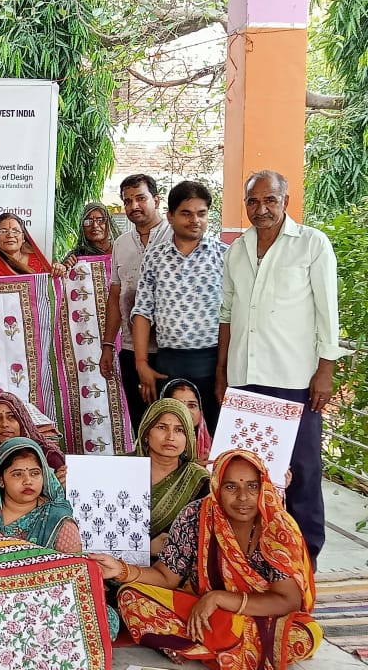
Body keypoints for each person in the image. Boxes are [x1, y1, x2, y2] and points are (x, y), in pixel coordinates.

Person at [216, 169, 347, 566]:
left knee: (303, 470)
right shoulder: (237, 250)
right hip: (244, 382)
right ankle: (256, 557)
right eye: (253, 202)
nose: (262, 209)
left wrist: (325, 370)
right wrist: (222, 371)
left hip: (294, 380)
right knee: (247, 472)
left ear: (285, 201)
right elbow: (227, 314)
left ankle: (305, 558)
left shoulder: (311, 245)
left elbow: (328, 312)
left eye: (270, 200)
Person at [94, 450, 321, 669]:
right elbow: (166, 577)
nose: (243, 497)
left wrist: (219, 598)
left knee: (303, 635)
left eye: (252, 486)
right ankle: (225, 646)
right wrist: (121, 570)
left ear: (263, 487)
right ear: (216, 487)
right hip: (202, 610)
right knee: (130, 597)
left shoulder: (277, 526)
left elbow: (288, 601)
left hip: (260, 614)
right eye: (231, 486)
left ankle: (198, 644)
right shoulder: (195, 517)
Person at [0, 437, 123, 639]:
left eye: (35, 473)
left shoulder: (57, 519)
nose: (28, 481)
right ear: (0, 479)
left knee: (97, 619)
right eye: (17, 474)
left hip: (40, 604)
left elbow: (71, 579)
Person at [131, 180, 227, 432]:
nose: (195, 220)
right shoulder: (155, 257)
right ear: (170, 216)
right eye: (186, 213)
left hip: (215, 362)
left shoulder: (225, 256)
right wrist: (142, 364)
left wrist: (224, 369)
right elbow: (141, 311)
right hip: (168, 365)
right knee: (172, 438)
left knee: (218, 437)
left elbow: (234, 315)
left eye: (201, 213)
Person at [100, 174, 173, 430]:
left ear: (156, 199)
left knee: (174, 424)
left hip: (171, 351)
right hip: (132, 350)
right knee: (143, 424)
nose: (133, 206)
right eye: (127, 201)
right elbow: (115, 297)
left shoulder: (176, 237)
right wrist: (108, 345)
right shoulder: (121, 244)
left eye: (140, 198)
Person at [131, 398, 210, 558]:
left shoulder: (199, 481)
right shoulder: (116, 467)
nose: (170, 437)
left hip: (172, 569)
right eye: (162, 427)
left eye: (180, 430)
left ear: (188, 437)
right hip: (111, 562)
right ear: (146, 432)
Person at [0, 391, 66, 484]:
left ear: (22, 421)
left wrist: (57, 487)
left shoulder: (48, 456)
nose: (4, 424)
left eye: (11, 417)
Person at [0, 211, 66, 277]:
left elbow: (51, 288)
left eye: (15, 231)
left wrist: (58, 271)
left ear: (23, 237)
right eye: (3, 231)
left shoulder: (38, 261)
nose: (10, 235)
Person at [160, 378, 211, 464]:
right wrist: (192, 470)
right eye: (178, 405)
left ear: (200, 411)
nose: (186, 411)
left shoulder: (215, 446)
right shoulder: (153, 442)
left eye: (192, 405)